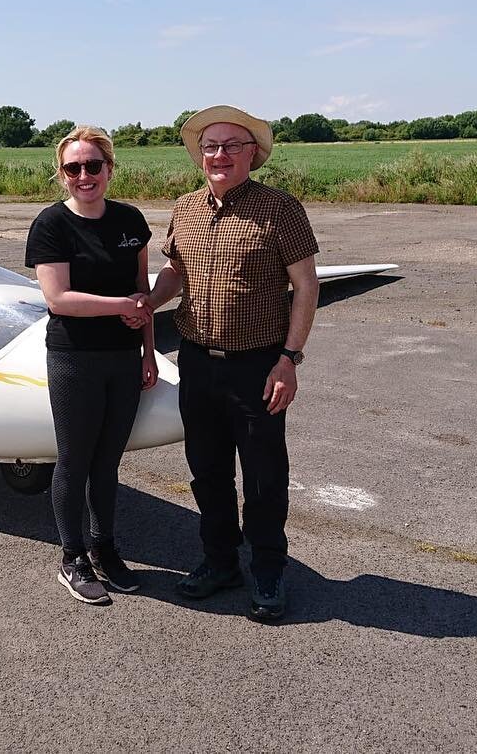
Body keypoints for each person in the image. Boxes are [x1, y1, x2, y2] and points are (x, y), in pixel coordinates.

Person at [147, 105, 320, 623]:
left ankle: (267, 570)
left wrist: (289, 360)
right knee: (207, 471)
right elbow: (176, 272)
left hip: (259, 365)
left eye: (230, 146)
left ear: (252, 155)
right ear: (200, 156)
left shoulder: (280, 209)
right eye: (210, 147)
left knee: (265, 477)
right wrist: (146, 303)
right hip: (197, 362)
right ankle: (219, 561)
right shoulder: (186, 208)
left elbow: (306, 286)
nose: (218, 155)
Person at [25, 126, 158, 606]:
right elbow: (57, 299)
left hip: (123, 360)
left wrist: (148, 352)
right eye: (74, 168)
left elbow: (143, 294)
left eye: (93, 166)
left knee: (108, 462)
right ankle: (73, 557)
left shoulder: (130, 220)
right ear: (62, 175)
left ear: (109, 169)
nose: (85, 175)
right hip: (74, 358)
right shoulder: (51, 225)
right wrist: (122, 304)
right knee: (74, 460)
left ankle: (105, 548)